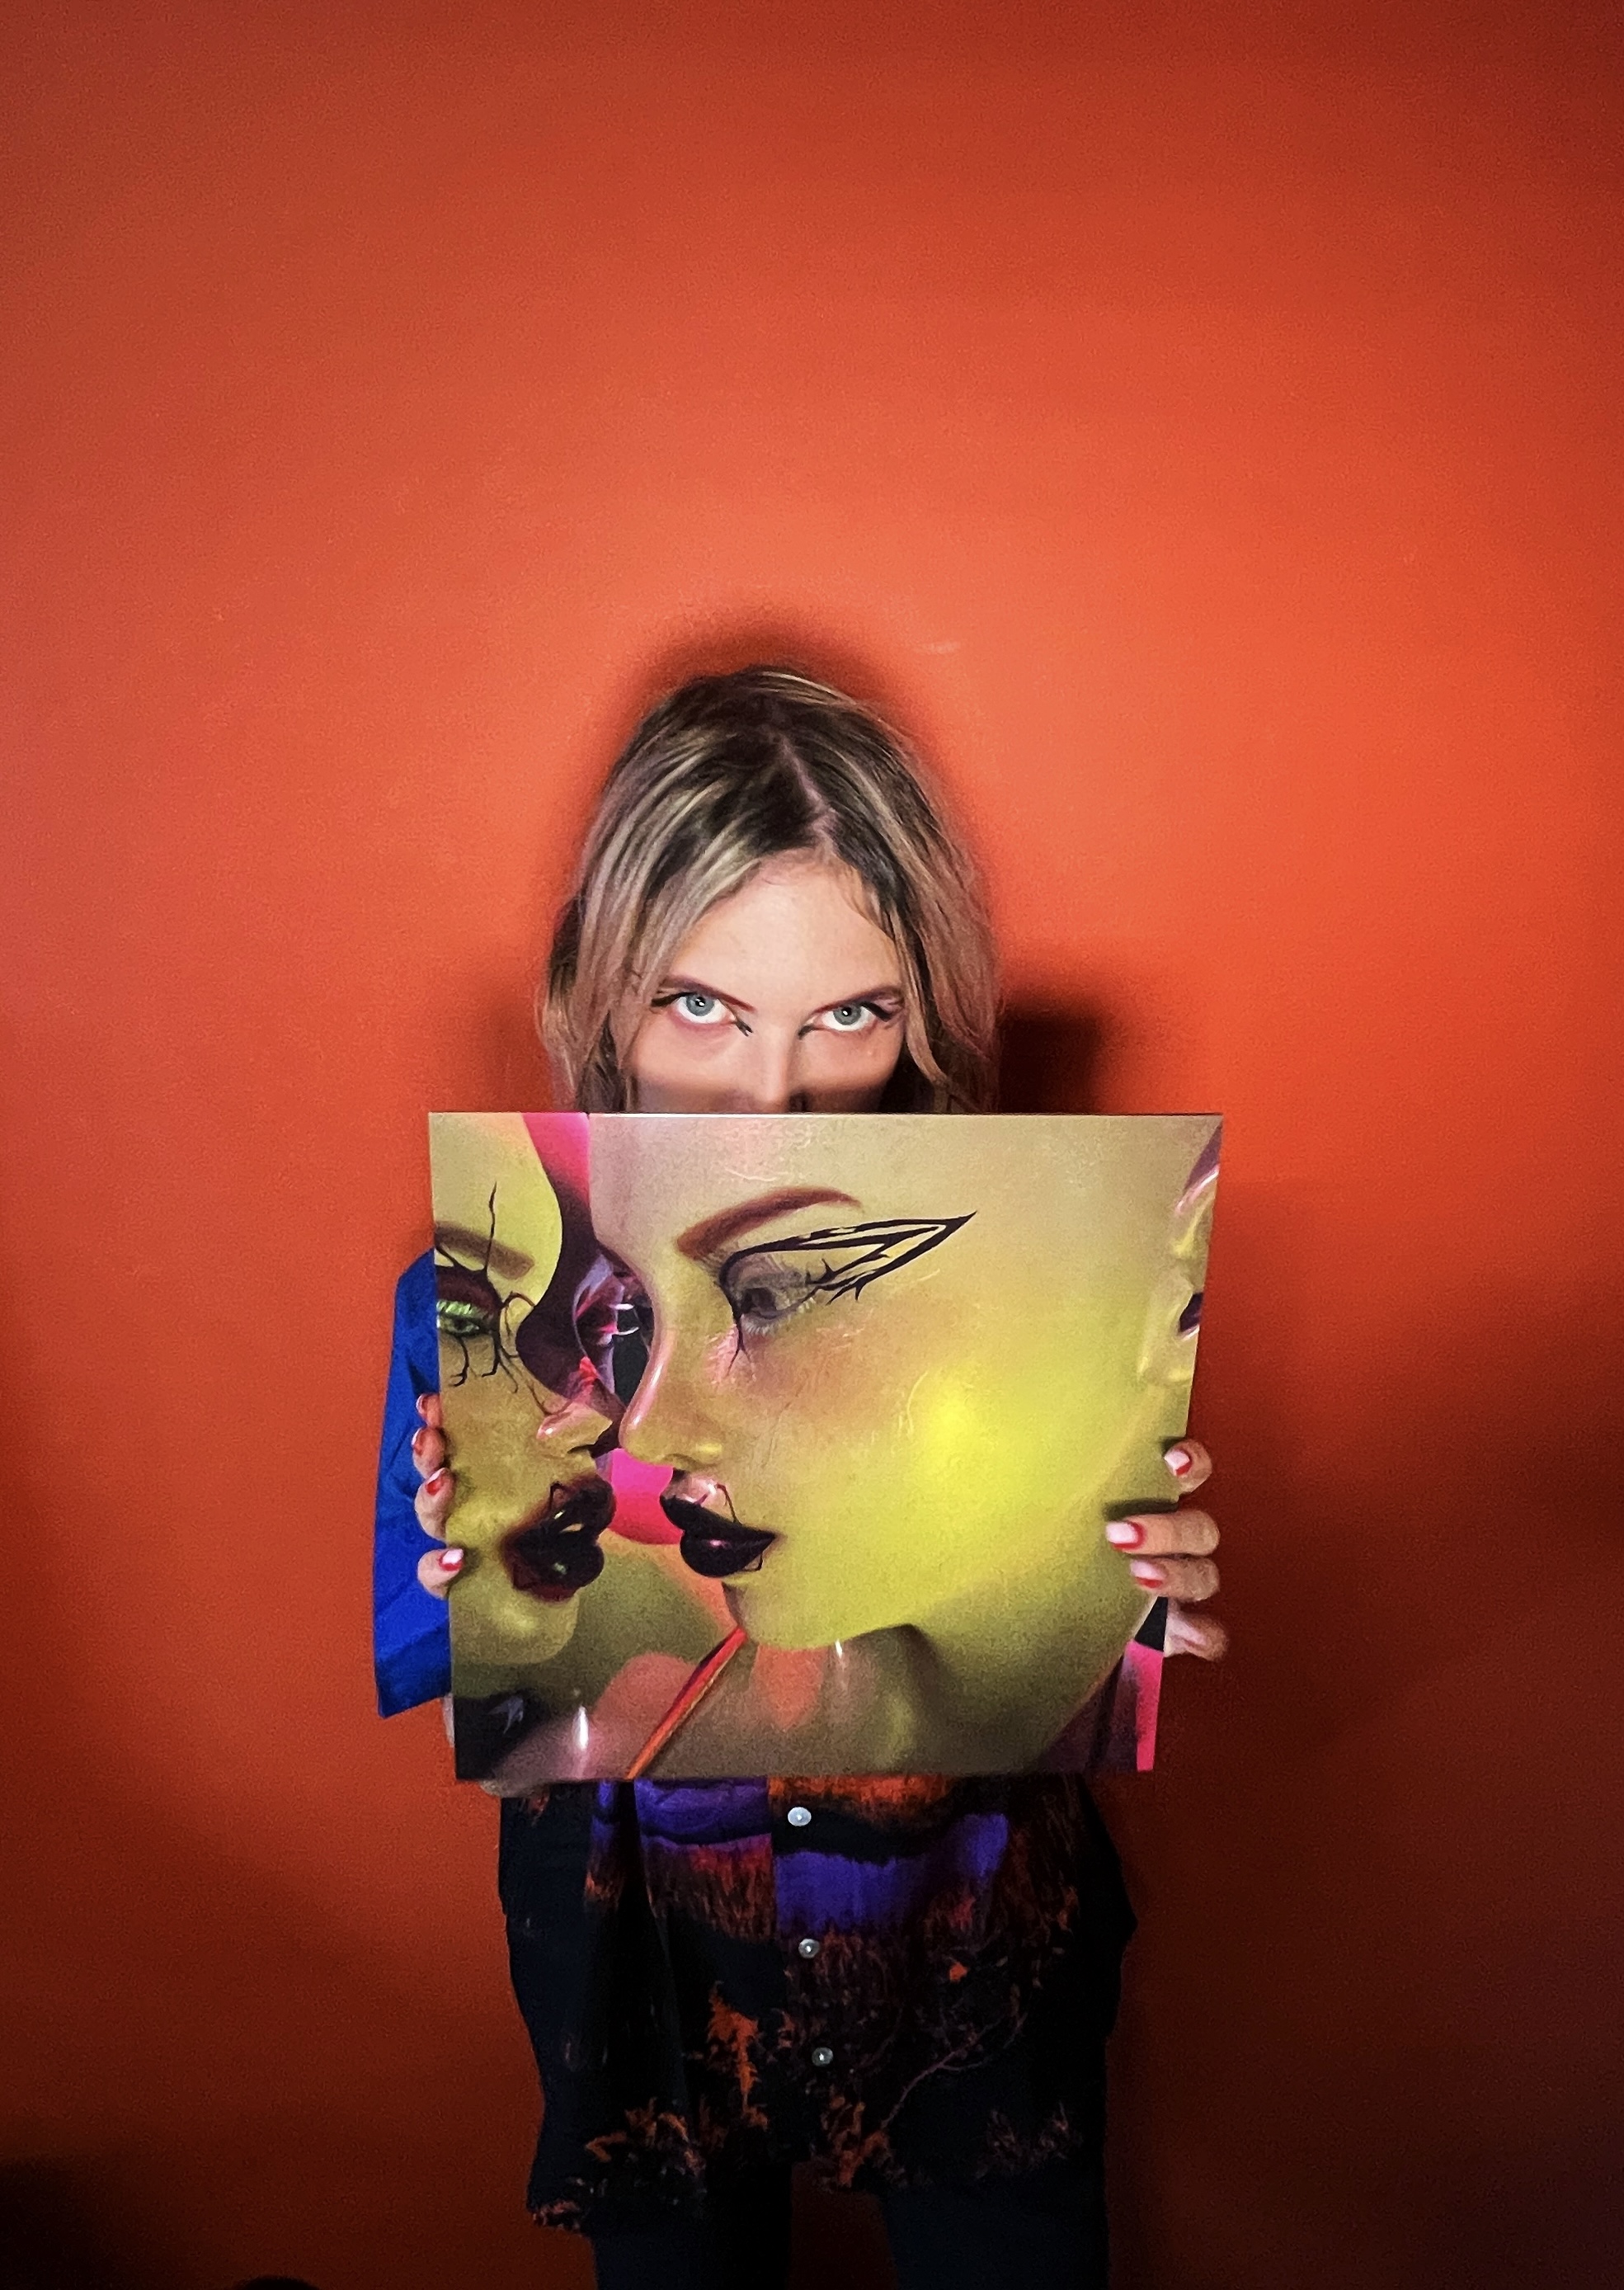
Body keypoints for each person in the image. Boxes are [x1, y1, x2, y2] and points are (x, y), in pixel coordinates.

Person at [379, 666, 1224, 2288]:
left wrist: (1117, 1589)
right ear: (599, 991)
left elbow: (1061, 1630)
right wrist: (494, 1595)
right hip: (635, 1954)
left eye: (849, 1014)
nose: (770, 1095)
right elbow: (464, 1693)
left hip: (970, 1930)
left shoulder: (1035, 1291)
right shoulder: (477, 1300)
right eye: (703, 1005)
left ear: (927, 1013)